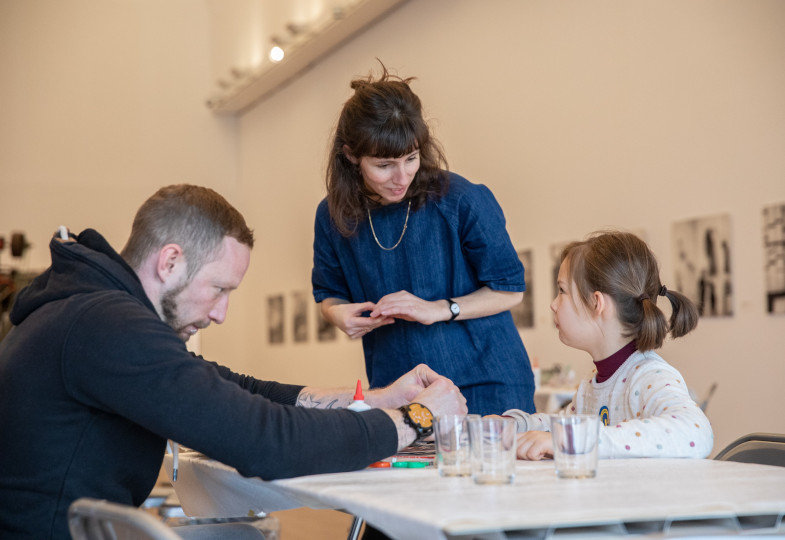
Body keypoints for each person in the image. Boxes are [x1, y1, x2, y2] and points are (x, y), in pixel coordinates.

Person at [0, 184, 467, 540]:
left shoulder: (90, 309)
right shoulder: (105, 322)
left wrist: (375, 399)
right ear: (170, 262)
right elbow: (266, 443)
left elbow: (225, 386)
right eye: (220, 289)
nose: (221, 314)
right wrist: (416, 419)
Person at [312, 66, 535, 416]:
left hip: (487, 383)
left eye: (411, 159)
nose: (401, 177)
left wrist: (437, 309)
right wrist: (337, 314)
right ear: (351, 156)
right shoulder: (333, 217)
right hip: (398, 387)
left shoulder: (460, 199)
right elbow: (328, 294)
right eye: (384, 165)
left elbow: (510, 289)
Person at [504, 231, 713, 460]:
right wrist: (515, 425)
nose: (553, 305)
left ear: (597, 303)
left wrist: (575, 438)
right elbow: (563, 424)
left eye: (562, 291)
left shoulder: (650, 376)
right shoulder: (592, 386)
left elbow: (695, 433)